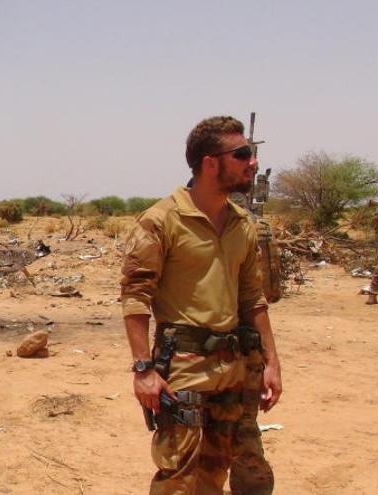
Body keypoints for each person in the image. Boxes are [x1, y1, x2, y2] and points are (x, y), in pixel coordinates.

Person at [121, 116, 283, 494]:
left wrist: (272, 362)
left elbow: (252, 300)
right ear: (211, 163)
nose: (252, 162)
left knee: (216, 468)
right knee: (180, 476)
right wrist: (143, 369)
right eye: (243, 154)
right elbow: (135, 296)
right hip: (184, 368)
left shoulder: (242, 224)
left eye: (252, 154)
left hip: (233, 366)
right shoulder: (161, 221)